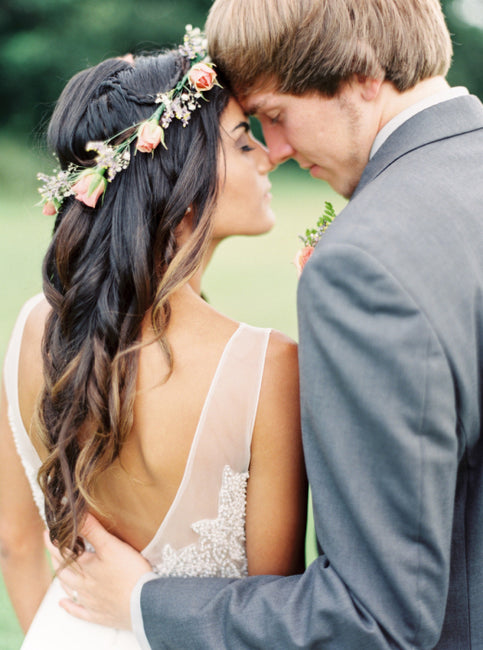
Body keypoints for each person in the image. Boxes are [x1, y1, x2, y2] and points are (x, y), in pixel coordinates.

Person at [49, 0, 483, 648]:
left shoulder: (363, 263)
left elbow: (374, 621)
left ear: (362, 77)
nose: (273, 150)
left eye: (275, 117)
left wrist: (143, 603)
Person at [0, 27, 308, 650]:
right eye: (243, 141)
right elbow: (270, 609)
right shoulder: (268, 366)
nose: (270, 155)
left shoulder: (35, 323)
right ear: (182, 177)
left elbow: (13, 542)